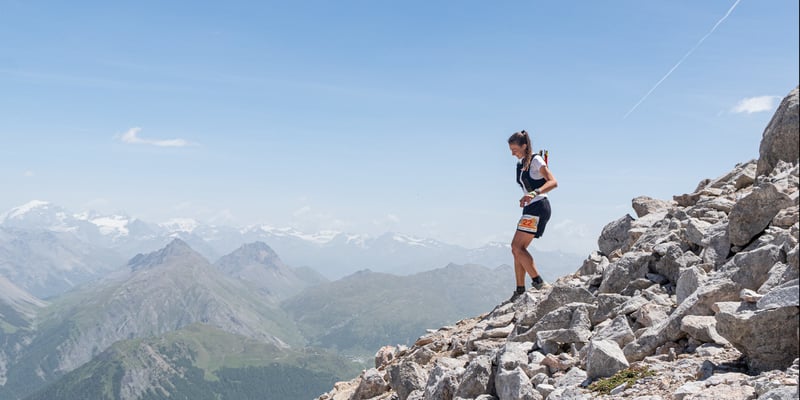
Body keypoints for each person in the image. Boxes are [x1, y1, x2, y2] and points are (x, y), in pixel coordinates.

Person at [507, 130, 558, 301]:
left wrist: (533, 193)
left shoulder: (536, 160)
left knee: (516, 247)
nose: (512, 153)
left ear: (524, 146)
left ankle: (539, 283)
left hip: (539, 206)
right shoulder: (523, 163)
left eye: (515, 149)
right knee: (517, 250)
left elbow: (553, 182)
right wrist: (527, 197)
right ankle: (520, 290)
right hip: (531, 207)